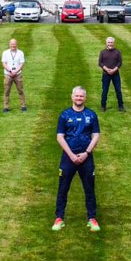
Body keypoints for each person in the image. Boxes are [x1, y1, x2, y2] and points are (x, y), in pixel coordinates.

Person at [52, 86, 101, 232]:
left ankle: (92, 218)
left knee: (89, 189)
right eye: (77, 96)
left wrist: (86, 152)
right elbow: (59, 137)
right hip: (68, 158)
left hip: (86, 157)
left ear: (85, 98)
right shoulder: (65, 115)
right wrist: (71, 155)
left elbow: (96, 135)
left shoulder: (91, 115)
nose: (79, 98)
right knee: (63, 189)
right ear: (72, 97)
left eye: (81, 96)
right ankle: (59, 218)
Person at [98, 36, 124, 112]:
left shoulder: (117, 52)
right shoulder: (102, 52)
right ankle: (103, 106)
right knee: (105, 90)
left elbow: (120, 62)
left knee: (118, 90)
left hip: (115, 74)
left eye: (111, 42)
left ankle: (121, 106)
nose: (110, 44)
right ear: (106, 43)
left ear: (114, 43)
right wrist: (106, 69)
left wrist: (114, 70)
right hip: (106, 74)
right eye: (109, 42)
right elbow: (100, 63)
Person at [1, 38, 27, 113]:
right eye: (12, 44)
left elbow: (22, 64)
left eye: (14, 44)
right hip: (8, 75)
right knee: (6, 91)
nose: (13, 45)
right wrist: (10, 71)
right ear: (9, 44)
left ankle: (23, 106)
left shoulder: (20, 53)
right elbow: (4, 63)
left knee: (20, 90)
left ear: (17, 44)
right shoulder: (5, 53)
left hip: (17, 74)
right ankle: (6, 107)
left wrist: (16, 71)